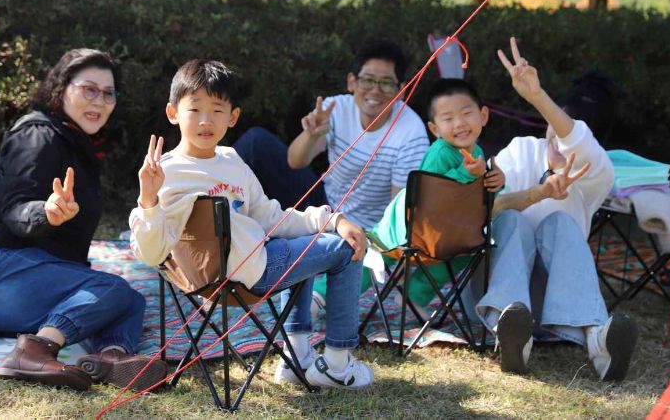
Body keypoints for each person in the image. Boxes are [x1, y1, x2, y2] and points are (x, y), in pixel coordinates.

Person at [129, 59, 375, 390]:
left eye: (217, 110)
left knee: (306, 236)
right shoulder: (166, 172)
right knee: (345, 249)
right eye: (194, 109)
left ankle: (297, 356)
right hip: (240, 274)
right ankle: (337, 364)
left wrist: (332, 218)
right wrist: (148, 199)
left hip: (249, 262)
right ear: (173, 113)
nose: (206, 120)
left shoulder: (231, 159)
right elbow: (150, 252)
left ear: (233, 117)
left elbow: (269, 217)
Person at [0, 48, 166, 392]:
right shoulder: (38, 135)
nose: (100, 101)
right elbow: (15, 209)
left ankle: (110, 359)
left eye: (109, 93)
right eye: (88, 89)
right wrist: (46, 213)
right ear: (61, 87)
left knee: (130, 300)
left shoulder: (75, 143)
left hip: (17, 286)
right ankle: (35, 349)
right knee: (110, 288)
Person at [465, 37, 638, 381]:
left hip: (555, 306)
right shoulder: (519, 152)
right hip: (492, 293)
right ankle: (512, 335)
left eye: (571, 135)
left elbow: (577, 139)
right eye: (555, 126)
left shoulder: (596, 174)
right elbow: (483, 211)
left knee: (559, 222)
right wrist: (535, 194)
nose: (560, 140)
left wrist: (539, 99)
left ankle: (597, 341)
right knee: (512, 218)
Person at [234, 39, 430, 308]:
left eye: (386, 83)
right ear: (352, 82)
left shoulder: (411, 132)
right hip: (326, 207)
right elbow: (295, 161)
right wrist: (311, 134)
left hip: (367, 230)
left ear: (402, 91)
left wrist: (368, 244)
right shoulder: (336, 108)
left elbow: (399, 210)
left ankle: (317, 282)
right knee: (256, 142)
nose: (375, 90)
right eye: (367, 80)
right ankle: (219, 237)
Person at [369, 77, 505, 309]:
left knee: (466, 252)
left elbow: (479, 195)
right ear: (435, 129)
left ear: (483, 116)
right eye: (448, 119)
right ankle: (320, 297)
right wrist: (466, 174)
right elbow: (428, 195)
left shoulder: (478, 151)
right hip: (409, 229)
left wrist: (496, 180)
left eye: (466, 113)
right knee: (369, 256)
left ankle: (413, 296)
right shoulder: (440, 153)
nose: (460, 123)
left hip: (449, 233)